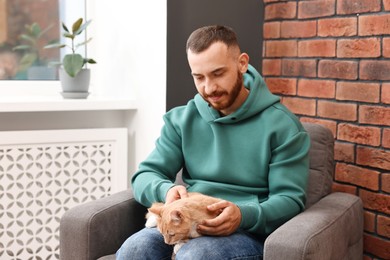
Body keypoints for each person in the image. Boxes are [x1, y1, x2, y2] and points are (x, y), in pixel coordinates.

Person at [116, 25, 310, 260]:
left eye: (218, 74)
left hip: (244, 232)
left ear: (242, 63)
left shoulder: (284, 126)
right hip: (186, 220)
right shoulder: (181, 119)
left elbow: (289, 199)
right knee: (133, 250)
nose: (209, 88)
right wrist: (166, 190)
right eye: (199, 77)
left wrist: (242, 215)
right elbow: (144, 175)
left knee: (196, 256)